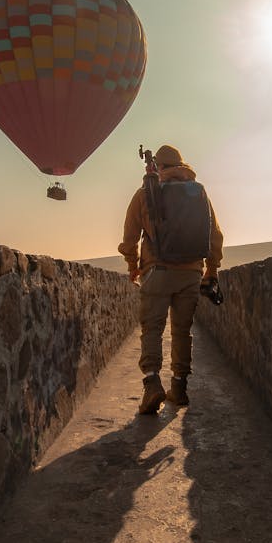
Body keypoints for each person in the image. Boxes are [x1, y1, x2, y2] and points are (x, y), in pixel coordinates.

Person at [119, 144, 224, 414]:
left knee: (152, 330)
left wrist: (133, 266)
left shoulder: (146, 193)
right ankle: (178, 387)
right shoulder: (198, 192)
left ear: (158, 167)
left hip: (157, 272)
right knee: (181, 331)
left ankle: (152, 384)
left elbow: (129, 238)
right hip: (190, 273)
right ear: (181, 164)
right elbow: (215, 236)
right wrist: (211, 270)